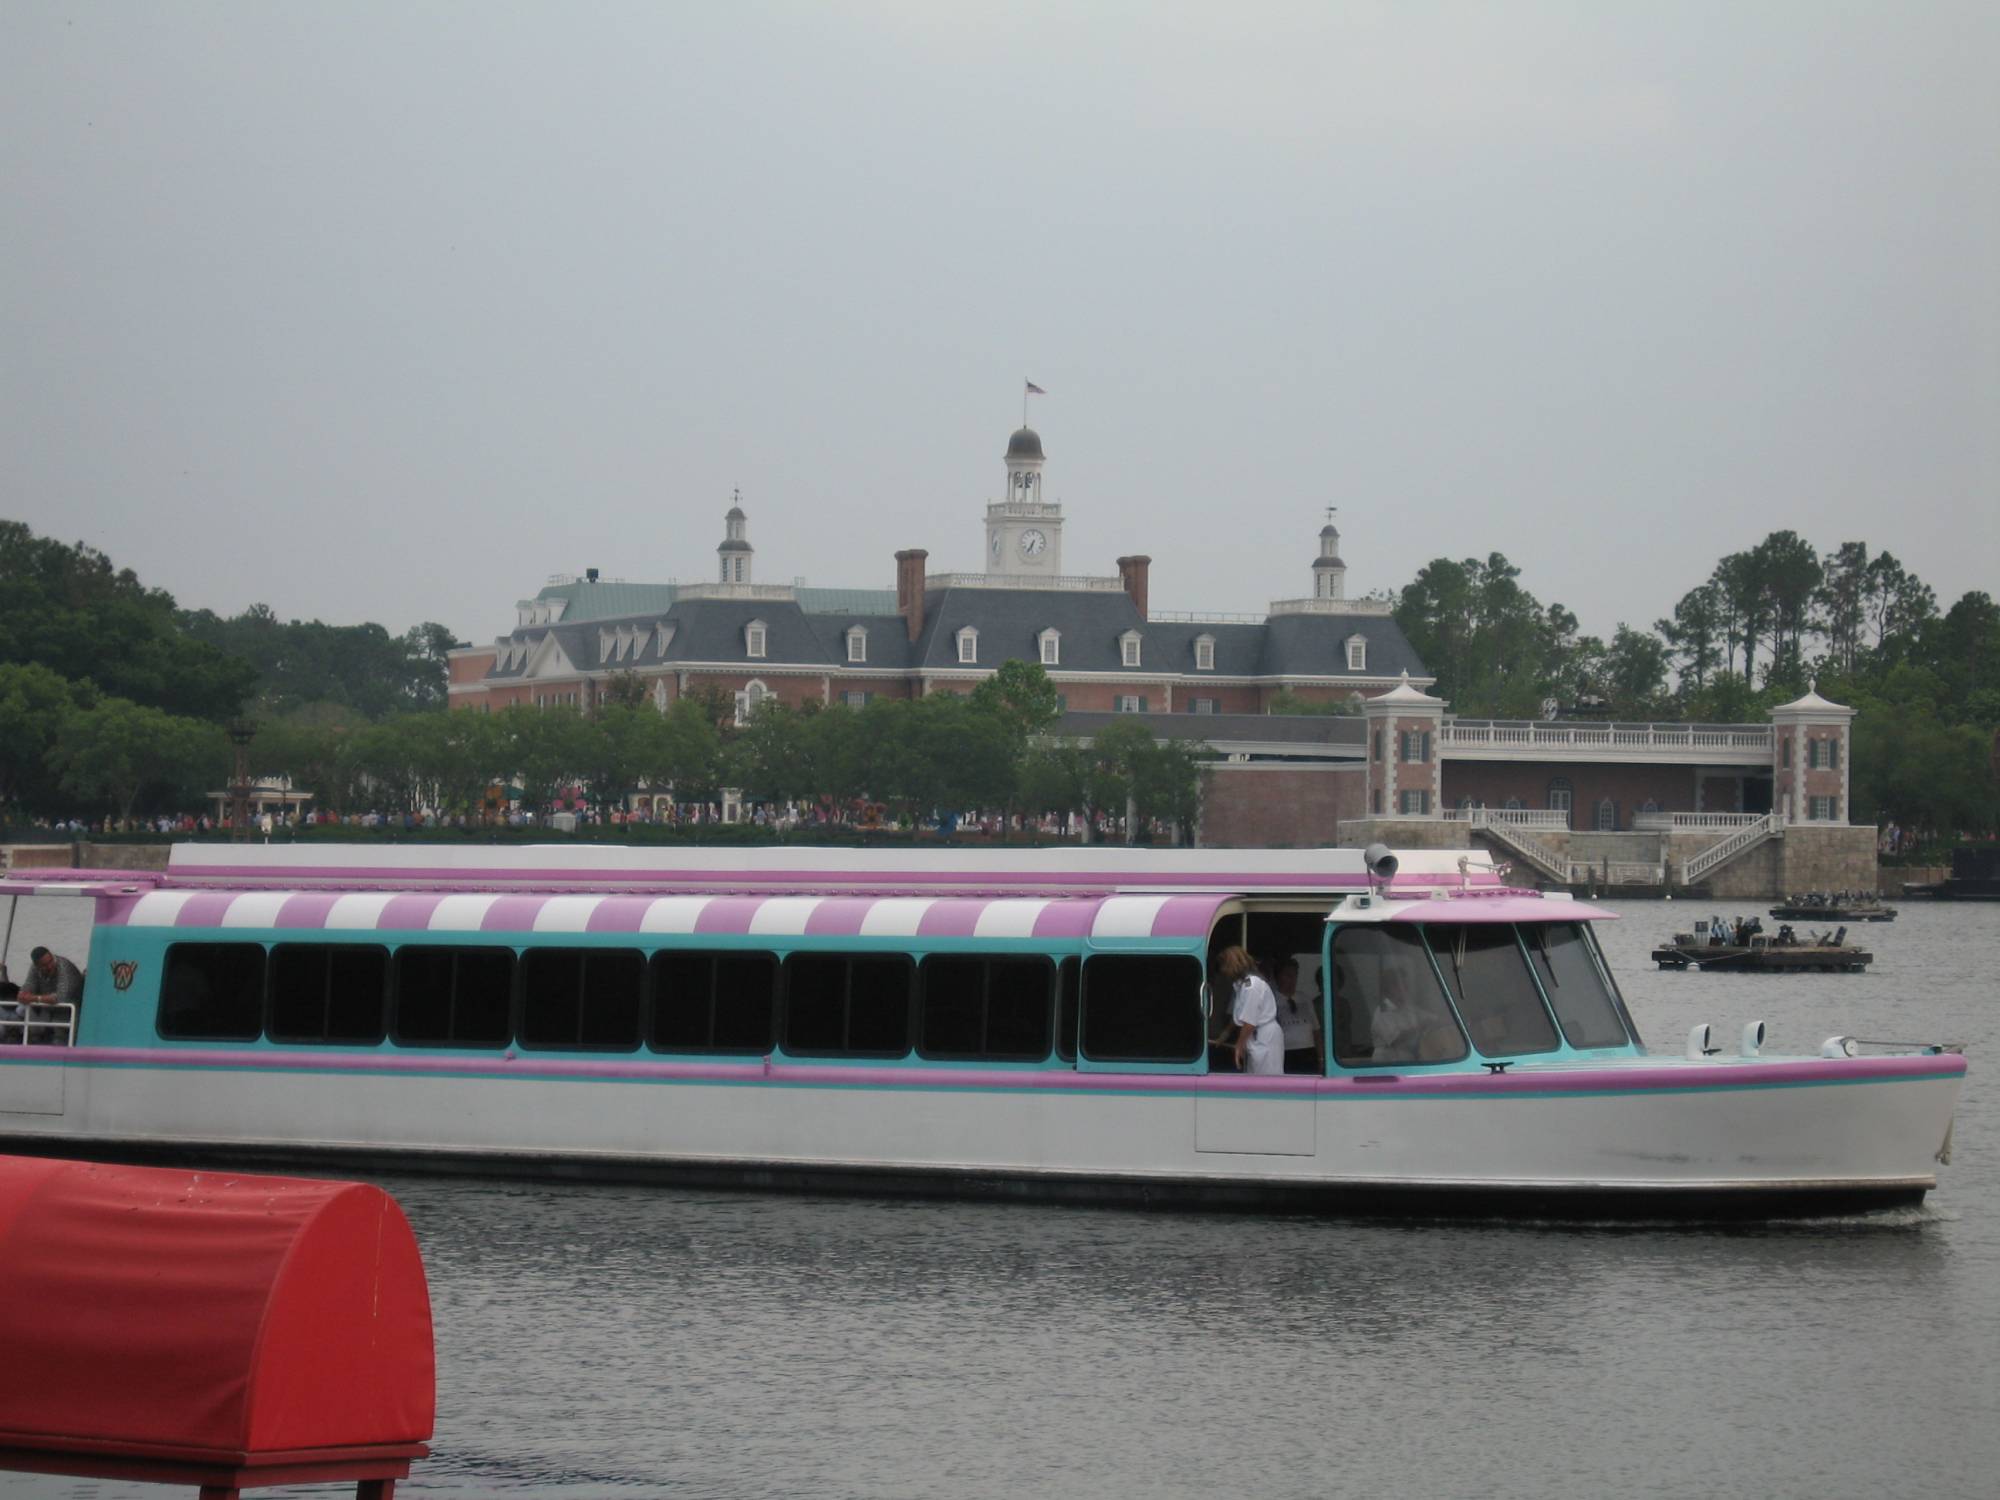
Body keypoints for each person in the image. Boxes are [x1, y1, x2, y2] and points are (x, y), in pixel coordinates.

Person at [1217, 946, 1282, 1076]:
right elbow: (1239, 1016)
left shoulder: (1252, 986)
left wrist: (1239, 1045)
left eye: (1225, 965)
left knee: (1267, 1078)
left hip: (1264, 1036)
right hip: (1256, 1036)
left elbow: (1249, 1022)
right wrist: (1224, 1035)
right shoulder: (1241, 985)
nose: (1223, 970)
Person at [12, 946, 83, 1045]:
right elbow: (29, 985)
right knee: (21, 1010)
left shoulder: (65, 967)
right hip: (49, 1010)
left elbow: (61, 997)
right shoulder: (34, 968)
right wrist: (22, 994)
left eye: (51, 961)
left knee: (60, 1041)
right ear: (37, 966)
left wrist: (34, 998)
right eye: (45, 965)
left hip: (71, 1013)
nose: (50, 966)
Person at [1273, 957, 1321, 1074]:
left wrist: (1321, 1057)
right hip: (1285, 1053)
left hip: (1308, 1052)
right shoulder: (1272, 999)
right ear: (1278, 977)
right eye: (1288, 975)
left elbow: (1316, 1030)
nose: (1292, 979)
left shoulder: (1304, 998)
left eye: (1295, 975)